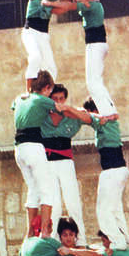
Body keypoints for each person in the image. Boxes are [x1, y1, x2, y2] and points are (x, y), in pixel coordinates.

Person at [12, 69, 62, 238]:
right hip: (33, 147)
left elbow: (19, 106)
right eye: (50, 91)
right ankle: (45, 232)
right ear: (47, 87)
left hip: (19, 150)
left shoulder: (19, 99)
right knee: (47, 189)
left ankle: (30, 233)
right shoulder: (42, 100)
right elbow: (60, 110)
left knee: (33, 188)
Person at [83, 101, 129, 250]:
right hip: (117, 170)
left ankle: (118, 242)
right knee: (115, 209)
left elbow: (84, 116)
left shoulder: (103, 121)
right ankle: (126, 241)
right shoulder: (108, 121)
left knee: (103, 211)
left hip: (112, 171)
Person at [44, 91, 88, 243]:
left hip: (65, 163)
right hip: (48, 164)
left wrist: (69, 109)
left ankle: (81, 240)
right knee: (54, 205)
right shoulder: (42, 117)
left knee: (73, 202)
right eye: (55, 99)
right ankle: (53, 241)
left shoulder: (71, 116)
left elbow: (87, 117)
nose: (58, 101)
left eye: (61, 98)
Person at [21, 0, 64, 90]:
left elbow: (65, 4)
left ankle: (48, 92)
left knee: (51, 67)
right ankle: (28, 90)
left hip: (43, 35)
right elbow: (58, 8)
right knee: (36, 58)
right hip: (31, 32)